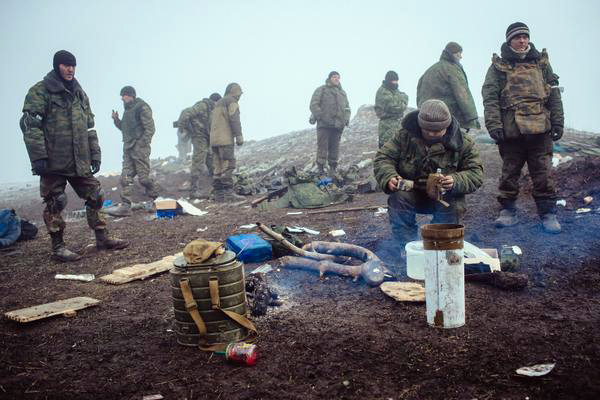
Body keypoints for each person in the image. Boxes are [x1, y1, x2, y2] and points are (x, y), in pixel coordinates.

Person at [20, 50, 128, 262]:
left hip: (80, 159)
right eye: (66, 65)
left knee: (96, 194)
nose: (70, 69)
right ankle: (58, 248)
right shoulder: (40, 91)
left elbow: (89, 127)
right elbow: (30, 125)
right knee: (56, 201)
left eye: (73, 65)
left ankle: (102, 238)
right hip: (53, 161)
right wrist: (38, 157)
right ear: (57, 66)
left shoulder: (79, 93)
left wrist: (95, 154)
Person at [482, 22, 564, 233]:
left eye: (525, 37)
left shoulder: (542, 64)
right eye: (517, 37)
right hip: (512, 131)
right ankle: (508, 211)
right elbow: (490, 98)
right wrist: (494, 125)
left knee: (543, 173)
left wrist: (558, 121)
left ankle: (548, 214)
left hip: (540, 129)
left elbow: (554, 93)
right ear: (509, 40)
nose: (522, 40)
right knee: (509, 173)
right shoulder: (498, 67)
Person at [373, 99, 483, 250]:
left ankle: (441, 246)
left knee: (454, 204)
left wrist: (455, 180)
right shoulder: (404, 136)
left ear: (446, 126)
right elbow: (384, 158)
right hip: (411, 193)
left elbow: (476, 173)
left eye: (437, 131)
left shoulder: (463, 143)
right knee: (398, 197)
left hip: (444, 197)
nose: (431, 133)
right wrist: (389, 176)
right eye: (426, 129)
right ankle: (405, 248)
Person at [109, 86, 159, 216]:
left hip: (139, 148)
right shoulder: (127, 110)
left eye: (124, 95)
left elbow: (150, 128)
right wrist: (116, 120)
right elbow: (124, 128)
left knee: (144, 178)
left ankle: (155, 200)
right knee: (125, 177)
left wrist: (142, 143)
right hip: (128, 148)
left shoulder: (142, 107)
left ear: (131, 95)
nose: (122, 98)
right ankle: (126, 206)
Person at [417, 42, 480, 131]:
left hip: (427, 117)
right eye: (458, 54)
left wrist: (421, 112)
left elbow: (419, 92)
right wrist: (472, 118)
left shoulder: (430, 70)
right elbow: (462, 93)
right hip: (448, 117)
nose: (461, 57)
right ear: (452, 54)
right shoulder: (452, 69)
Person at [177, 93, 222, 198]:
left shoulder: (211, 110)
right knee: (198, 162)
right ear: (215, 101)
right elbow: (186, 112)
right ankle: (193, 191)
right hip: (199, 137)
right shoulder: (203, 105)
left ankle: (218, 188)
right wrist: (182, 128)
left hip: (207, 138)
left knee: (212, 162)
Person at [309, 71, 351, 174]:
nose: (337, 79)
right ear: (329, 78)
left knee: (334, 148)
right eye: (334, 77)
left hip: (338, 125)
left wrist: (345, 120)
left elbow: (347, 108)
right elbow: (313, 104)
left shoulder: (342, 93)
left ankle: (333, 169)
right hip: (324, 125)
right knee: (322, 147)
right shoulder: (322, 89)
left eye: (338, 77)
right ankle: (320, 169)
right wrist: (321, 116)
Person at [209, 83, 244, 203]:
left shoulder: (218, 103)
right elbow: (234, 119)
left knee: (217, 168)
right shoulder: (231, 101)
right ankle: (229, 194)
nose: (239, 97)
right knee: (228, 165)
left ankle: (219, 195)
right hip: (225, 139)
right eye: (239, 94)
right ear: (235, 92)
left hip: (214, 140)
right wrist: (239, 136)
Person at [374, 70, 409, 148]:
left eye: (396, 81)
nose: (395, 83)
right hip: (387, 126)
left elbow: (402, 96)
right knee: (387, 149)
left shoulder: (394, 90)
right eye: (393, 81)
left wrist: (402, 98)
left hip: (397, 125)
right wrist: (404, 100)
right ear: (388, 80)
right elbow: (397, 107)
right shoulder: (383, 92)